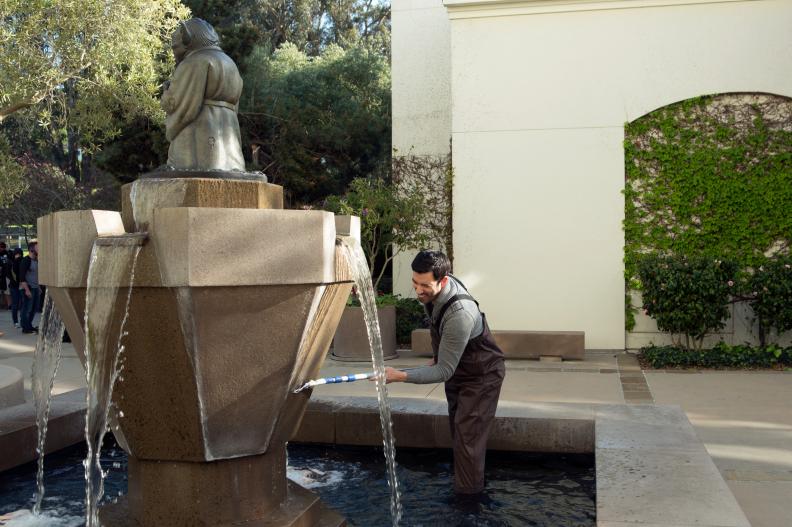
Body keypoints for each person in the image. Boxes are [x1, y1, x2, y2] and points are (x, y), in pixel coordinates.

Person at [379, 250, 505, 495]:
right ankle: (467, 484)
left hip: (481, 376)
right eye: (415, 282)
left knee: (468, 440)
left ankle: (468, 506)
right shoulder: (435, 290)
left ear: (444, 280)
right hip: (460, 370)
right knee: (460, 434)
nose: (417, 291)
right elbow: (447, 358)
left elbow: (444, 371)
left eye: (425, 285)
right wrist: (442, 355)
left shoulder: (460, 314)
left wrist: (399, 375)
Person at [161, 18, 245, 171]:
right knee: (229, 168)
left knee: (194, 169)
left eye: (175, 47)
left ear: (187, 40)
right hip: (228, 127)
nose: (174, 52)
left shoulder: (194, 62)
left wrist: (166, 92)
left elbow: (176, 103)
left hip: (199, 131)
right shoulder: (230, 63)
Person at [19, 241, 40, 334]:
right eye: (37, 247)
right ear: (32, 249)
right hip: (28, 288)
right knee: (27, 308)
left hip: (35, 288)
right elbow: (22, 277)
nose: (39, 249)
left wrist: (38, 287)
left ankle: (29, 325)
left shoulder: (36, 260)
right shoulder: (26, 260)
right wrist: (27, 290)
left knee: (34, 308)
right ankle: (25, 327)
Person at [9, 248, 22, 328]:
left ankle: (17, 322)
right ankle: (17, 321)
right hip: (16, 286)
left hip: (16, 286)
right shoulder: (12, 263)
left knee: (16, 304)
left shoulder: (12, 262)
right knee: (17, 304)